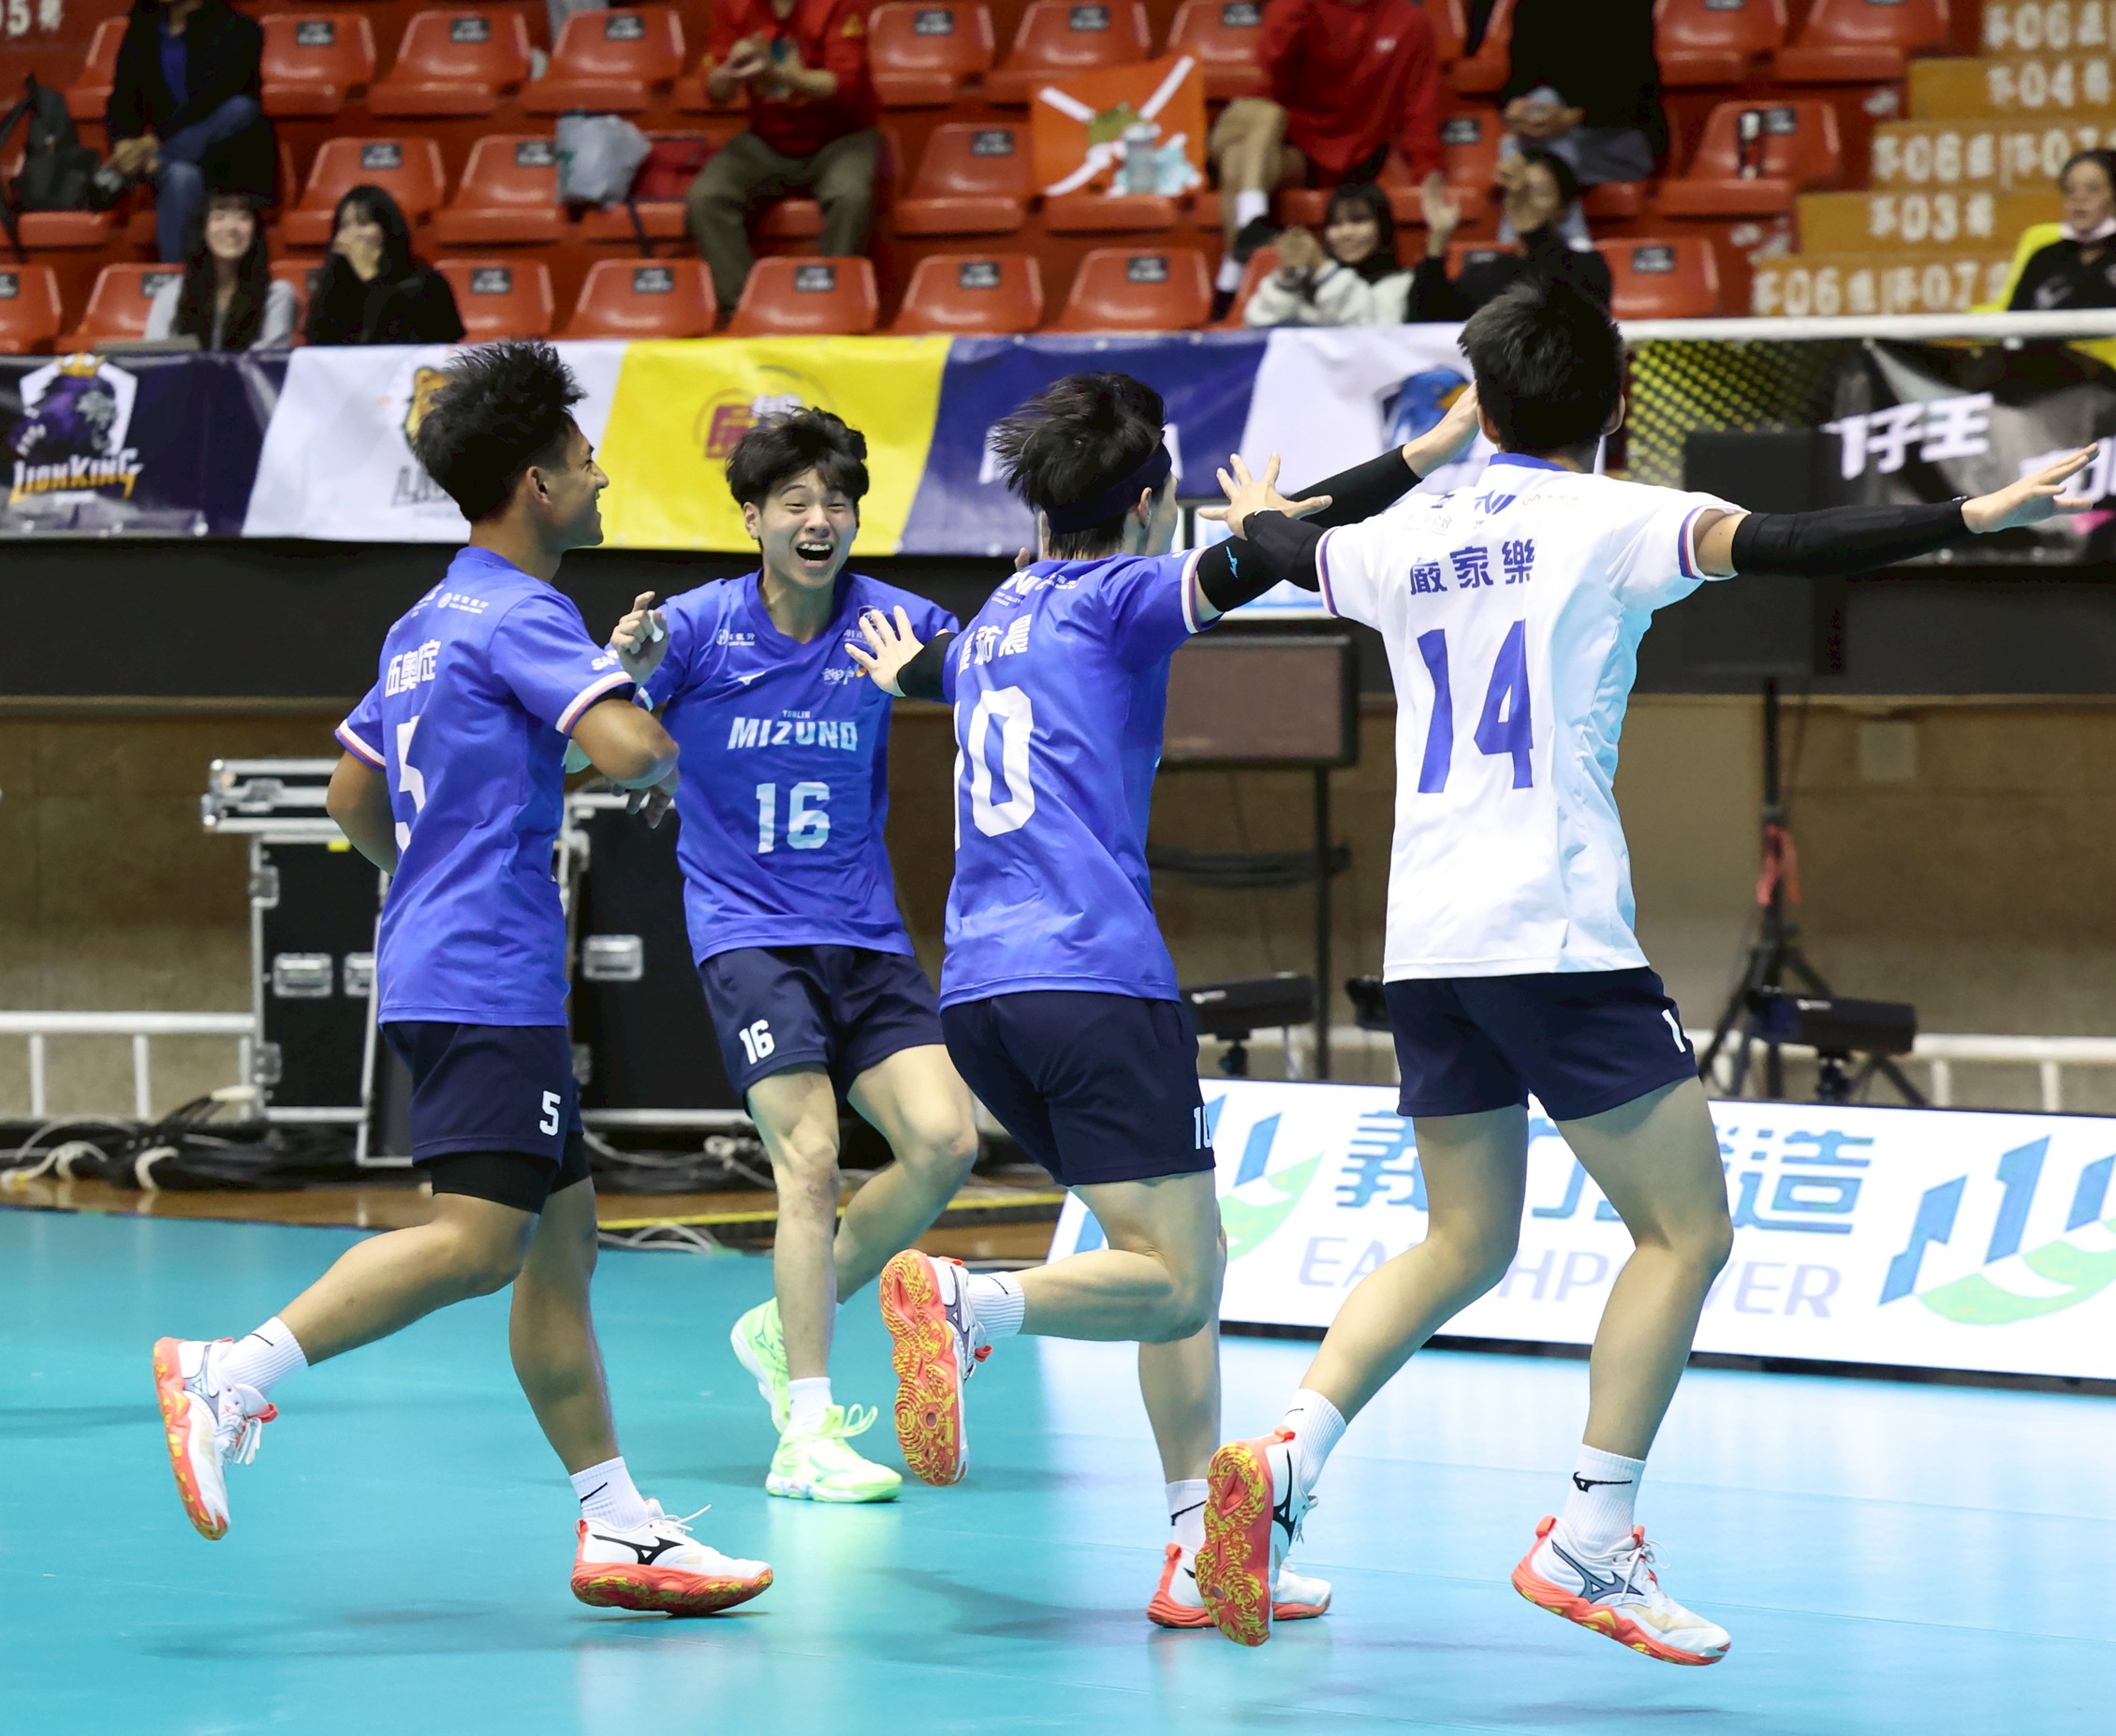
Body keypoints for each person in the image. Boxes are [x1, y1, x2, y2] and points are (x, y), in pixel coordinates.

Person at [1184, 279, 2096, 1657]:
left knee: (1462, 1241)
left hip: (1426, 943)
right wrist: (1974, 514)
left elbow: (1285, 544)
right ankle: (1590, 1535)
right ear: (1618, 401)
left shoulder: (1401, 537)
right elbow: (1792, 541)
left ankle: (1287, 1461)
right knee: (1687, 1234)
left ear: (1480, 405)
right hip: (1553, 935)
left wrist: (1264, 509)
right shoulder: (1615, 521)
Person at [845, 371, 1486, 1629]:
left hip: (978, 996)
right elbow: (1276, 544)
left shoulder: (997, 617)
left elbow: (932, 673)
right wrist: (1411, 461)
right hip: (1093, 979)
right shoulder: (1125, 596)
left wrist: (901, 671)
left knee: (1175, 1258)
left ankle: (1199, 1547)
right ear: (1147, 507)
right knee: (1181, 1281)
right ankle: (976, 1304)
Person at [151, 341, 772, 1618]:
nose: (600, 479)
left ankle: (618, 1525)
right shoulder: (526, 614)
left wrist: (441, 864)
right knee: (481, 1242)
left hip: (442, 957)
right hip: (489, 971)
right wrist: (643, 692)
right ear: (537, 484)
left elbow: (351, 797)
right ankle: (231, 1371)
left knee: (563, 1245)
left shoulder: (425, 621)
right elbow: (631, 750)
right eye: (585, 461)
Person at [600, 411, 979, 1507]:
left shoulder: (890, 622)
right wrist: (620, 675)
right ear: (754, 519)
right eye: (796, 503)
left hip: (864, 933)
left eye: (837, 503)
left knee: (945, 1142)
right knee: (809, 1161)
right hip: (748, 933)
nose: (821, 521)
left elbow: (994, 671)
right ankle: (805, 1430)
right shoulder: (693, 630)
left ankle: (781, 1322)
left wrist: (1012, 620)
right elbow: (595, 742)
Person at [1208, 0, 1444, 313]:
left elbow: (1421, 107)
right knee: (1265, 115)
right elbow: (1271, 62)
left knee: (1238, 159)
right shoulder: (1302, 5)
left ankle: (1233, 271)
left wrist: (1427, 173)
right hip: (1276, 132)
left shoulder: (1409, 21)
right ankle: (1249, 224)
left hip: (1326, 156)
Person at [685, 0, 881, 313]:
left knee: (850, 195)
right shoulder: (732, 5)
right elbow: (715, 92)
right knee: (707, 196)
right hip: (767, 139)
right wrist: (729, 73)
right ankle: (746, 312)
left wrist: (777, 73)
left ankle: (833, 309)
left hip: (841, 138)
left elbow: (842, 86)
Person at [101, 0, 277, 264]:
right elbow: (123, 100)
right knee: (182, 176)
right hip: (173, 163)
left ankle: (147, 164)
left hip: (229, 161)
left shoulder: (240, 30)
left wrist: (154, 146)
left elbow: (211, 98)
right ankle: (177, 283)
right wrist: (123, 143)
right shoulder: (142, 30)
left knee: (240, 109)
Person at [1411, 147, 1610, 321]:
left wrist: (1533, 231)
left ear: (1563, 208)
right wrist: (1438, 239)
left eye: (1539, 191)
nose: (1524, 198)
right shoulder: (1483, 274)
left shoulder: (1588, 268)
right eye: (1519, 191)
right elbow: (1425, 322)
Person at [1498, 0, 1665, 203]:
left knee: (1536, 168)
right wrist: (1515, 109)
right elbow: (1518, 84)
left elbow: (1636, 95)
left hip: (1616, 140)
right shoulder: (1531, 7)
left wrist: (1569, 118)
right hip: (1549, 138)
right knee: (1539, 118)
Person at [303, 185, 465, 347]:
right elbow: (318, 343)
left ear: (387, 228)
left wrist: (372, 278)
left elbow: (406, 342)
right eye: (345, 226)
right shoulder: (333, 287)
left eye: (363, 223)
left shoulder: (426, 283)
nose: (353, 234)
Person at [1243, 182, 1413, 328]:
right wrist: (1288, 275)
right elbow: (1257, 325)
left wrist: (1323, 268)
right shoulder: (1306, 280)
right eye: (1336, 223)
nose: (1346, 232)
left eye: (1358, 220)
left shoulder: (1403, 283)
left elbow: (1374, 330)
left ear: (1382, 227)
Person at [143, 188, 296, 350]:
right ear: (203, 229)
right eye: (219, 217)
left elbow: (267, 361)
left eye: (243, 217)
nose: (231, 227)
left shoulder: (276, 296)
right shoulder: (172, 294)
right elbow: (154, 357)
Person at [2006, 148, 2116, 310]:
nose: (2079, 197)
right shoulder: (2044, 259)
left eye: (2093, 189)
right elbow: (2014, 319)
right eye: (2070, 189)